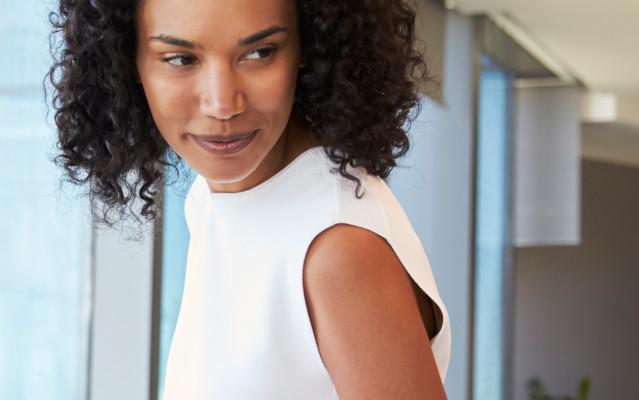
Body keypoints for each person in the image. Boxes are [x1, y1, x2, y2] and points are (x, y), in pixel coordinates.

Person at [51, 0, 449, 398]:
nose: (223, 103)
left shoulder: (339, 249)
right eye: (180, 59)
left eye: (259, 53)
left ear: (308, 47)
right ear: (126, 58)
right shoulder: (212, 198)